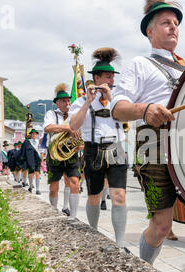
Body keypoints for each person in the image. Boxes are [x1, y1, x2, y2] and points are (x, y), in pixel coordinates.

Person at [110, 1, 185, 272]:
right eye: (166, 22)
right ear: (149, 30)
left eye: (176, 23)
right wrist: (145, 110)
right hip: (153, 146)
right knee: (161, 225)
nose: (174, 27)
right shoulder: (139, 64)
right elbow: (117, 108)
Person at [70, 47, 128, 248]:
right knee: (94, 196)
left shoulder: (118, 99)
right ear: (96, 77)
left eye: (112, 76)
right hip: (93, 150)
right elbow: (73, 126)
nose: (111, 80)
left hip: (117, 148)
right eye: (108, 76)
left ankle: (119, 243)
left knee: (119, 195)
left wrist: (111, 97)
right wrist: (87, 102)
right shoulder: (80, 102)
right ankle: (94, 235)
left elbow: (128, 118)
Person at [44, 83, 81, 218]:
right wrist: (68, 128)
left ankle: (73, 216)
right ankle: (53, 210)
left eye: (68, 100)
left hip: (71, 153)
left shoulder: (74, 115)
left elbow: (81, 131)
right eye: (64, 101)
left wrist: (80, 144)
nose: (67, 103)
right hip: (54, 154)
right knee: (54, 186)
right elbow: (48, 128)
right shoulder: (51, 113)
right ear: (57, 103)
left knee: (75, 182)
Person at [18, 129, 42, 195]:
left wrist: (41, 160)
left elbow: (41, 151)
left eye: (35, 134)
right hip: (30, 160)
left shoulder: (38, 142)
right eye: (33, 134)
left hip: (37, 159)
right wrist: (22, 160)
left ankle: (37, 189)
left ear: (37, 135)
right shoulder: (27, 142)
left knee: (37, 173)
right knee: (31, 174)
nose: (34, 135)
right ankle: (30, 186)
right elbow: (23, 152)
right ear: (31, 134)